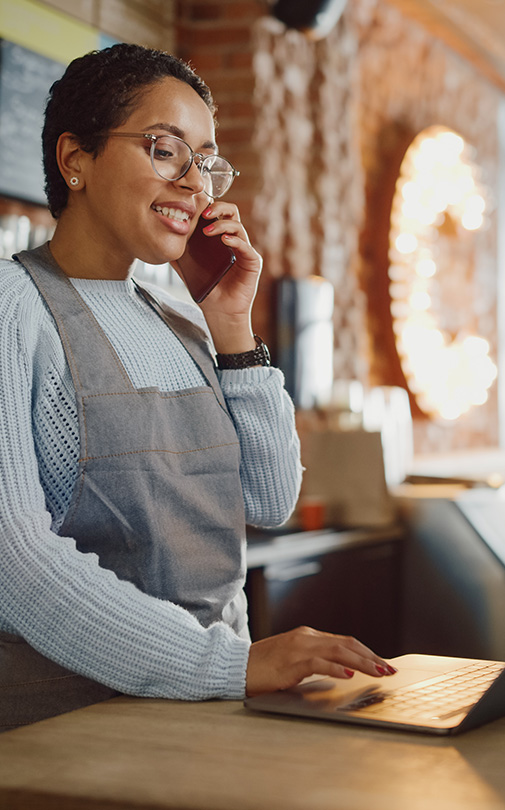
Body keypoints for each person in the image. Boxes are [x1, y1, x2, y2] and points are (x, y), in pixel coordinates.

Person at [0, 43, 394, 732]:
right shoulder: (14, 304)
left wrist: (234, 326)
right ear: (75, 161)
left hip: (200, 713)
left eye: (206, 162)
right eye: (164, 150)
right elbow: (17, 568)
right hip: (68, 734)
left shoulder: (183, 316)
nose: (196, 185)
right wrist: (229, 666)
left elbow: (269, 501)